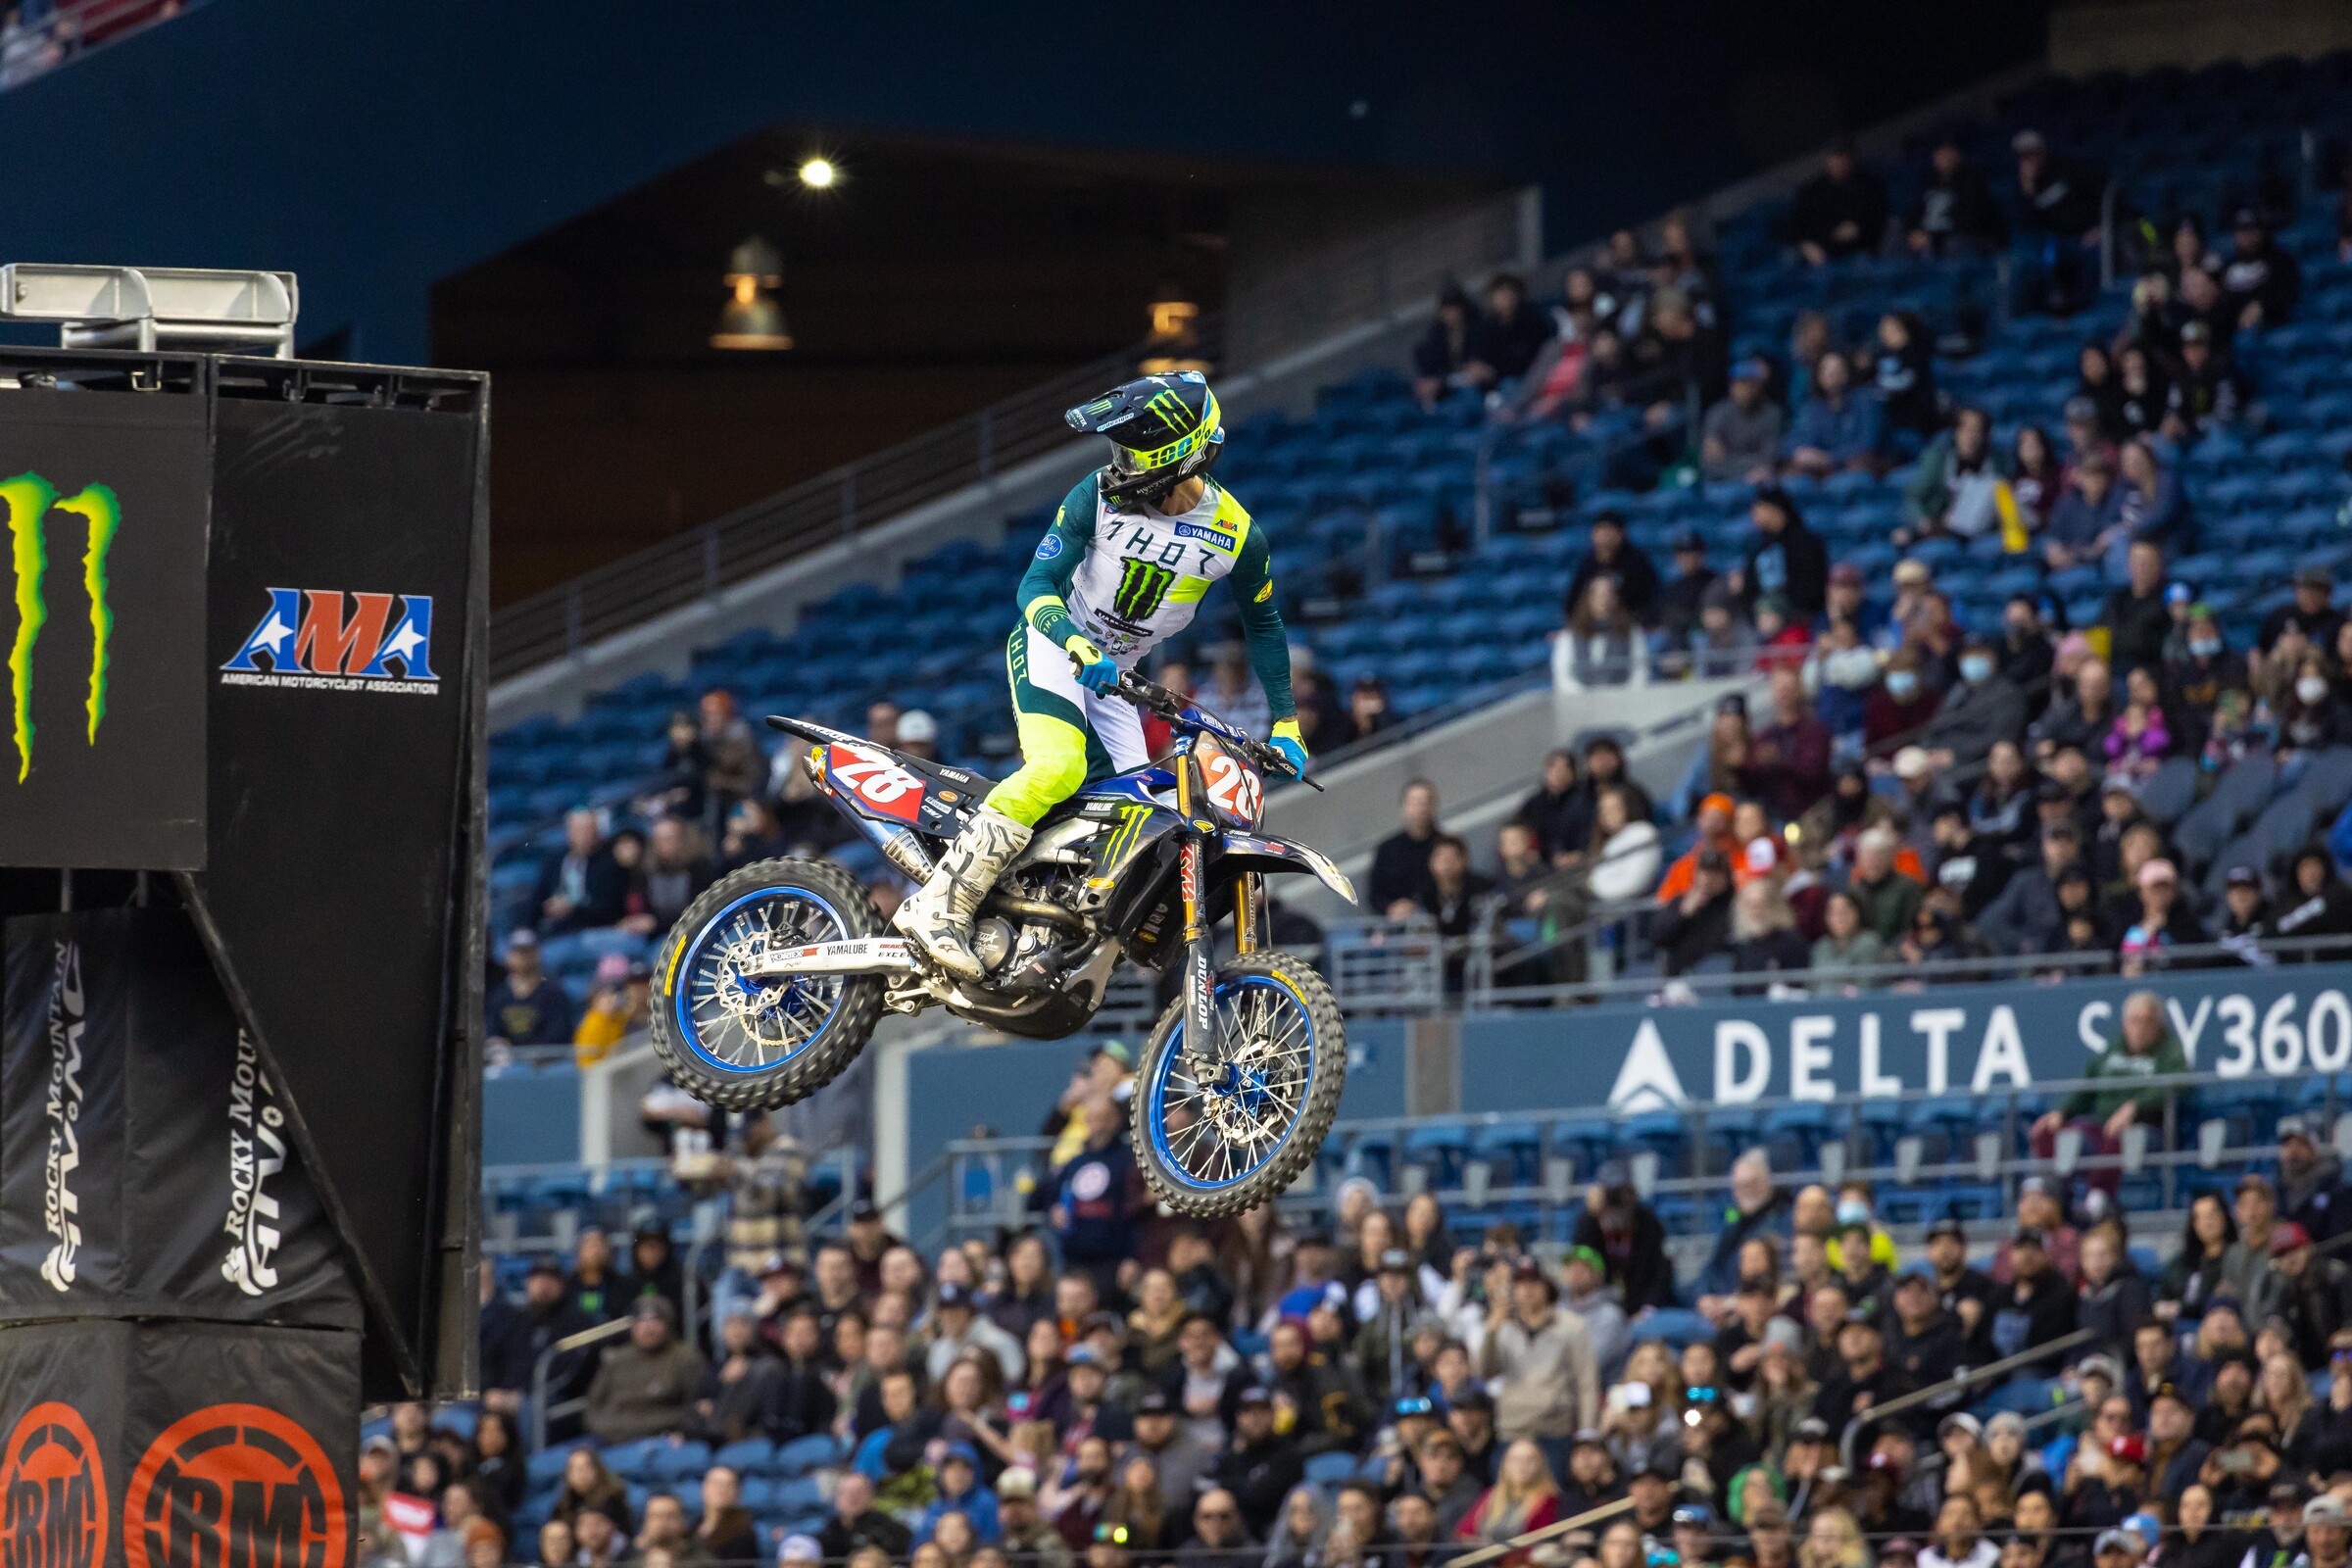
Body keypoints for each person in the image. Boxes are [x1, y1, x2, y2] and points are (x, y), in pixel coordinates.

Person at [894, 373, 1303, 977]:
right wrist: (1077, 645)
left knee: (1147, 811)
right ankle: (939, 905)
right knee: (1059, 767)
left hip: (1118, 676)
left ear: (1176, 459)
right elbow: (1033, 586)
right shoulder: (1096, 496)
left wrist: (1287, 722)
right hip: (1054, 646)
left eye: (1131, 455)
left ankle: (1037, 917)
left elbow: (1264, 627)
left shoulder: (1238, 537)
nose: (1117, 466)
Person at [583, 1297, 707, 1444]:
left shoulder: (685, 1358)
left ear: (668, 1323)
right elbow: (592, 1406)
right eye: (641, 1321)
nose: (648, 1328)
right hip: (609, 1437)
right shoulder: (616, 1359)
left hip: (661, 1437)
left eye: (655, 1320)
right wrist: (604, 1427)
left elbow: (696, 1408)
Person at [1787, 142, 1889, 265]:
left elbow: (1878, 219)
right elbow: (1798, 225)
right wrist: (1806, 244)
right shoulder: (1811, 190)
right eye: (1835, 157)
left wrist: (1859, 228)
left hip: (1856, 250)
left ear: (1852, 160)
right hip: (1817, 249)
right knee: (1789, 258)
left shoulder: (1869, 186)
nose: (1839, 163)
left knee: (1862, 261)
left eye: (1844, 158)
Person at [1786, 353, 1886, 476]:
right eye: (1825, 369)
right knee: (1795, 483)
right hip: (1824, 471)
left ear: (1846, 374)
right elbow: (1798, 438)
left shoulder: (1866, 400)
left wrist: (1829, 458)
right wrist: (1801, 452)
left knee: (1849, 482)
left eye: (1836, 369)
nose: (1830, 373)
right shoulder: (1813, 407)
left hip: (1860, 467)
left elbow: (1867, 444)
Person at [1908, 134, 2007, 257]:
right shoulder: (1927, 181)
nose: (1943, 156)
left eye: (1948, 151)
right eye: (1940, 152)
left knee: (1953, 244)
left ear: (1957, 154)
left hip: (1961, 238)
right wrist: (1914, 232)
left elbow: (1970, 220)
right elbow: (1913, 213)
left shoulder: (1972, 181)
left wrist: (1934, 238)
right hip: (1929, 239)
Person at [535, 809, 629, 935]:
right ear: (569, 832)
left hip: (599, 929)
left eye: (589, 830)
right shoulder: (555, 860)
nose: (584, 836)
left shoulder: (609, 861)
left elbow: (610, 907)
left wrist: (573, 908)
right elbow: (539, 895)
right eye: (579, 830)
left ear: (597, 832)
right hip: (560, 929)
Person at [1564, 511, 1660, 628]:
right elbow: (1573, 603)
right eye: (1599, 531)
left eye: (1608, 531)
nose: (1603, 537)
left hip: (1631, 628)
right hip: (1592, 630)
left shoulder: (1637, 562)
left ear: (1620, 533)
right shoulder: (1588, 564)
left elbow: (1652, 599)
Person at [485, 929, 575, 1050]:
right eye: (518, 952)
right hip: (509, 1063)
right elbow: (493, 1031)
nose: (523, 957)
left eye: (528, 952)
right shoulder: (499, 996)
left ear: (537, 954)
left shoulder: (553, 994)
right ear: (509, 956)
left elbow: (557, 1035)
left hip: (548, 1062)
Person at [1701, 358, 1785, 483]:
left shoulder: (1772, 414)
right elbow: (1711, 461)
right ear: (1732, 386)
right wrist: (1745, 472)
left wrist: (1730, 460)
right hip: (1724, 480)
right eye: (1741, 383)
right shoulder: (1717, 413)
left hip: (1760, 479)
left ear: (1759, 386)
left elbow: (1769, 457)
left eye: (1751, 383)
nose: (1746, 389)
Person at [1372, 779, 1443, 918]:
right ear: (1404, 807)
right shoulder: (1387, 849)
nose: (1422, 808)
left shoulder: (1445, 846)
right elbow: (1374, 895)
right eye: (1416, 803)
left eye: (1426, 802)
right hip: (1396, 926)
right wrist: (1391, 907)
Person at [1413, 283, 1482, 409]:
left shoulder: (1476, 328)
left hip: (1471, 380)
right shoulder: (1439, 333)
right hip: (1448, 381)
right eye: (1446, 311)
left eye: (1453, 310)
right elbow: (1434, 362)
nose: (1450, 315)